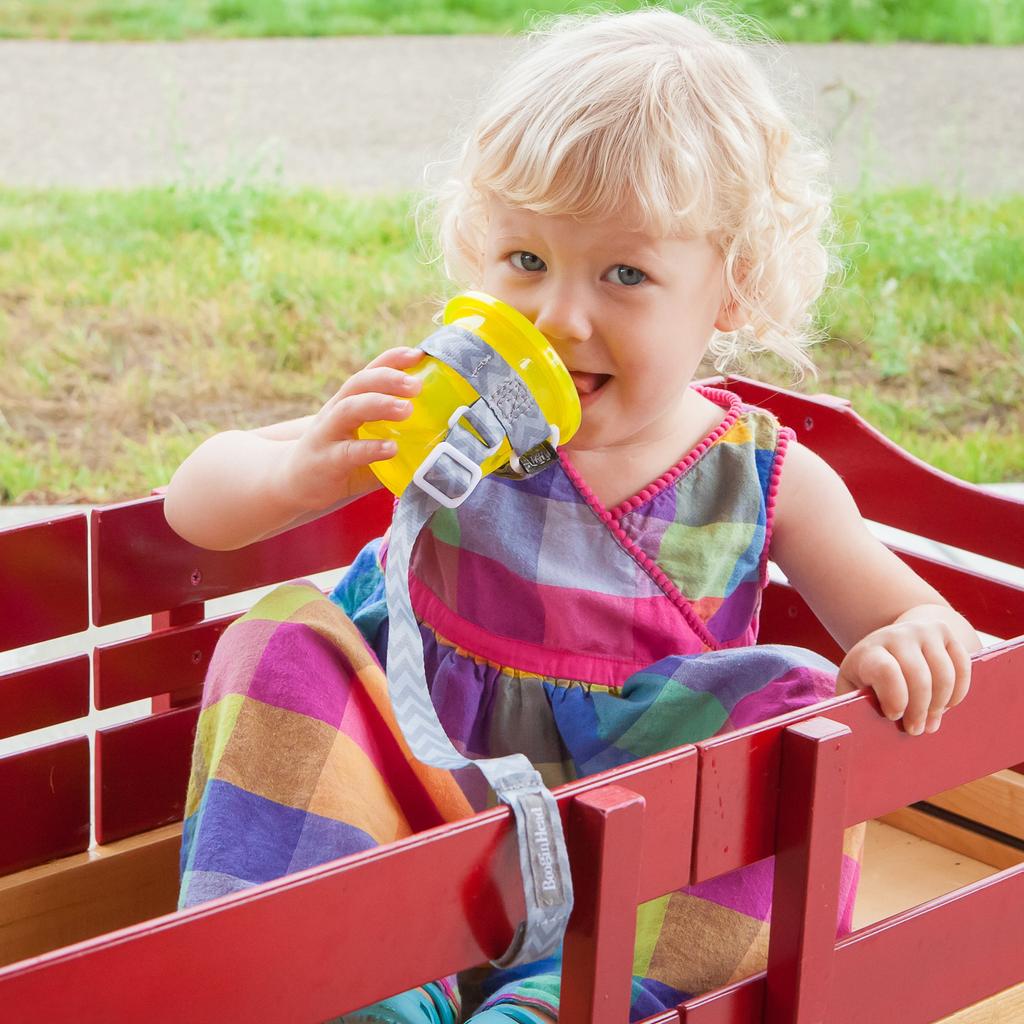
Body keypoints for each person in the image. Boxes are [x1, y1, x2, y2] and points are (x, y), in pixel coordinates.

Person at [163, 7, 980, 1022]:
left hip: (629, 872)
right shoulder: (449, 408)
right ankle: (339, 985)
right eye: (526, 260)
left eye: (624, 274)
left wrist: (908, 644)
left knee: (804, 711)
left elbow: (919, 619)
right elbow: (195, 501)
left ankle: (565, 1009)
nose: (559, 316)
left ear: (730, 290)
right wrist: (298, 471)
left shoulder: (762, 476)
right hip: (417, 814)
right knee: (280, 634)